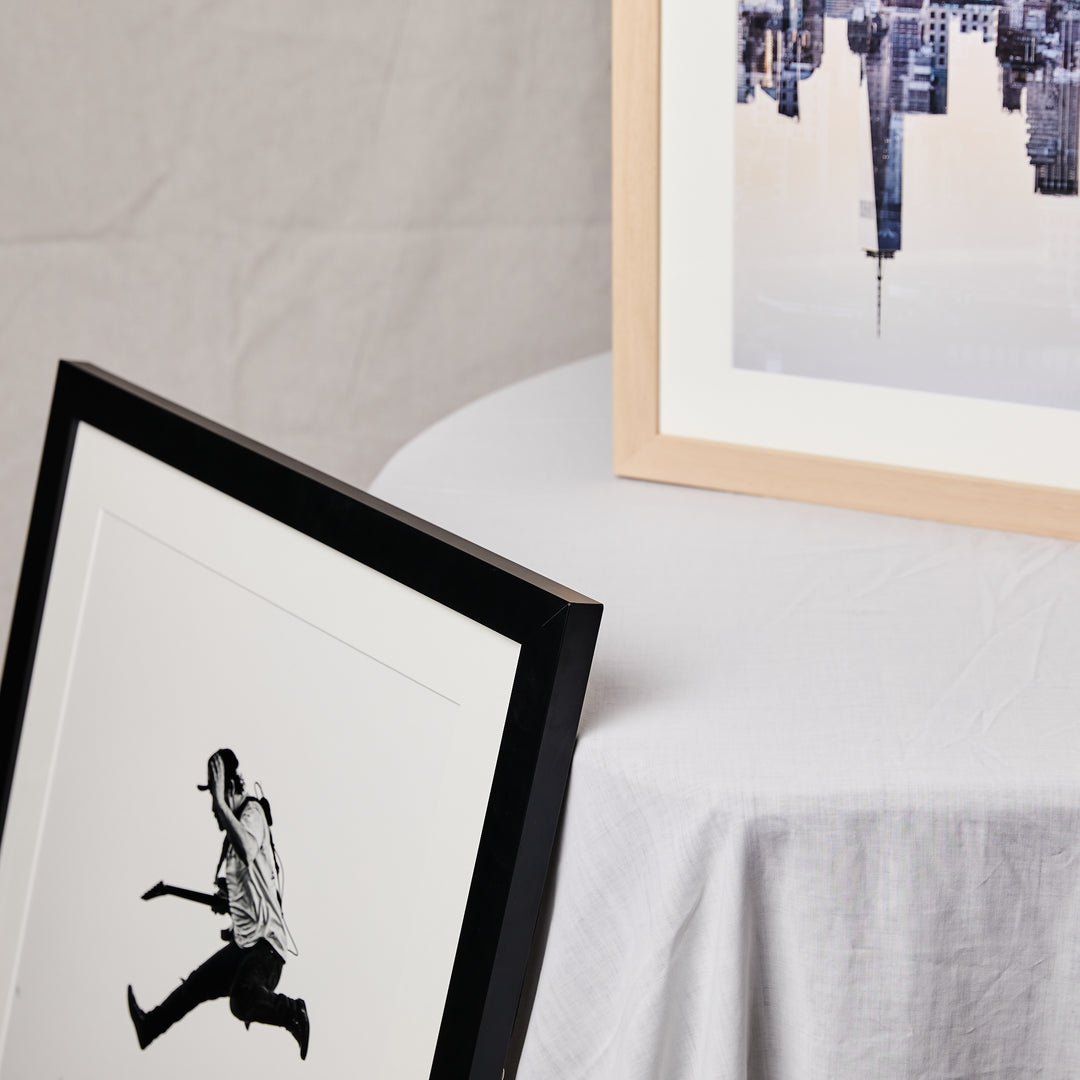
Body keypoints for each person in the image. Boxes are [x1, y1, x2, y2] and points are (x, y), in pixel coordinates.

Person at [127, 749, 310, 1060]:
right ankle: (150, 1027)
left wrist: (222, 804)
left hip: (266, 950)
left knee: (240, 1001)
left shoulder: (252, 813)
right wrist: (229, 906)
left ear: (231, 788)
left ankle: (293, 1012)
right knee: (195, 985)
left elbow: (248, 848)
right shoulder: (233, 838)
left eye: (217, 795)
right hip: (246, 946)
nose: (214, 808)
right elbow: (247, 893)